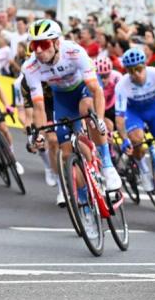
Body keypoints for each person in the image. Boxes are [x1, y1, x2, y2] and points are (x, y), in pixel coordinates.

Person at [24, 19, 122, 196]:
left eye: (43, 44)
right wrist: (39, 133)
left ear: (56, 42)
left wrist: (99, 120)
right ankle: (85, 203)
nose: (38, 50)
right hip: (62, 98)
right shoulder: (30, 67)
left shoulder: (74, 51)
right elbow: (38, 106)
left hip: (83, 89)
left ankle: (107, 165)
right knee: (67, 152)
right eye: (34, 45)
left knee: (87, 109)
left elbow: (96, 90)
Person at [115, 48, 155, 192]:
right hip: (134, 114)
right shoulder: (122, 85)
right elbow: (119, 118)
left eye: (139, 69)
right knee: (137, 140)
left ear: (145, 65)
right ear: (127, 70)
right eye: (131, 71)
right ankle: (143, 169)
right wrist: (125, 139)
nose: (136, 74)